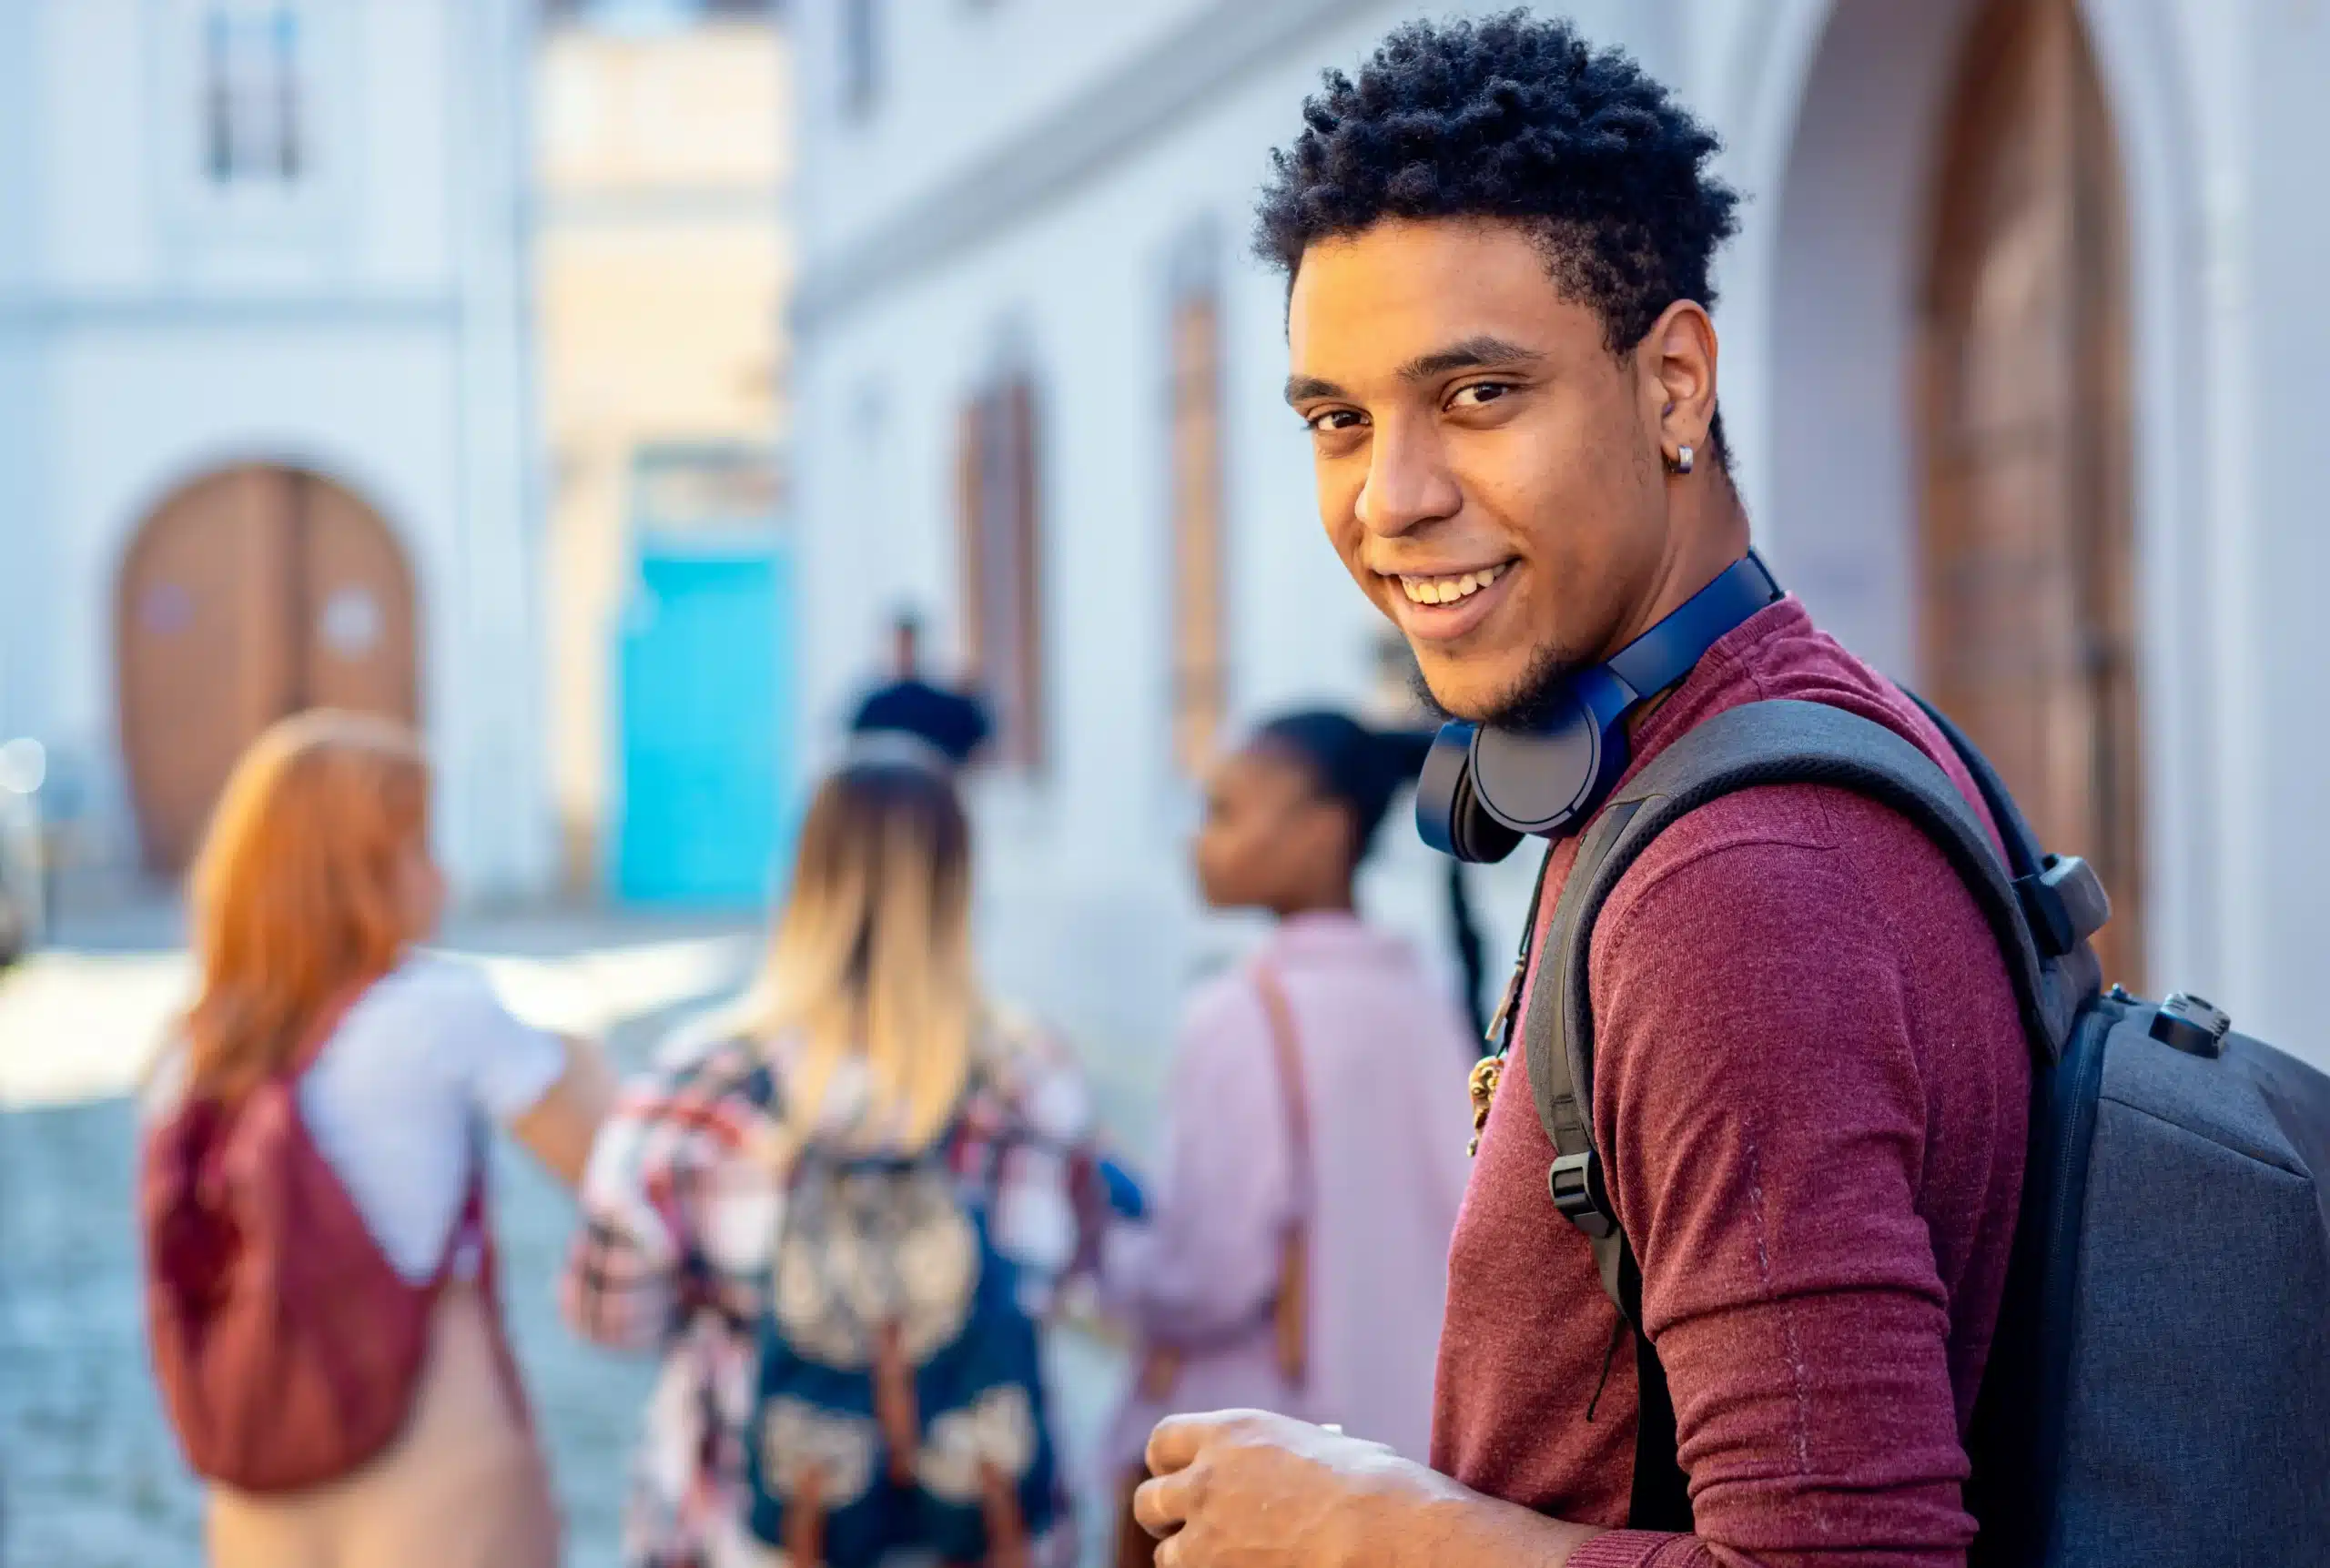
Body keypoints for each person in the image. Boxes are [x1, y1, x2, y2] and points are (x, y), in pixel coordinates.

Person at [1134, 15, 2031, 1568]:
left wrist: (1369, 1529)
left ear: (1674, 380)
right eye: (1337, 419)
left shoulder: (1735, 888)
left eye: (1477, 394)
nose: (1388, 498)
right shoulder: (1782, 738)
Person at [562, 752, 1105, 1568]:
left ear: (803, 880)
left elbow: (611, 1312)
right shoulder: (1029, 1075)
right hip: (982, 1520)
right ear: (959, 887)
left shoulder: (704, 1081)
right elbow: (1073, 1279)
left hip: (754, 1523)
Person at [141, 710, 613, 1568]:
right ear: (358, 873)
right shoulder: (439, 1011)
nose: (445, 877)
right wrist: (578, 1039)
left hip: (261, 1456)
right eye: (421, 847)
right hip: (429, 1433)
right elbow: (612, 1171)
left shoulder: (191, 1053)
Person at [1100, 711, 1479, 1558]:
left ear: (1322, 831)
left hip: (1265, 1483)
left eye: (1226, 811)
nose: (1199, 841)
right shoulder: (1424, 998)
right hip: (1416, 1478)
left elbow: (1212, 1277)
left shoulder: (1237, 1013)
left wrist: (1111, 1261)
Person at [848, 609, 993, 768]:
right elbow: (859, 751)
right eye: (899, 645)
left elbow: (978, 744)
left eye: (908, 644)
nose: (903, 652)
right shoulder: (874, 706)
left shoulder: (945, 705)